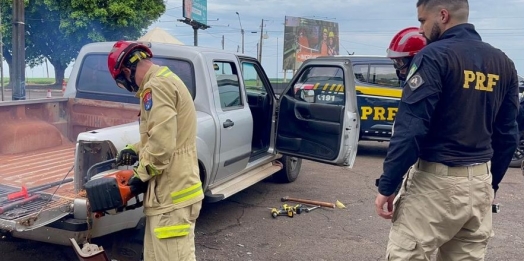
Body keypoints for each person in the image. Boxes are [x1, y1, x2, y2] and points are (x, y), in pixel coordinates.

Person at [374, 0, 519, 260]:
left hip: (435, 186)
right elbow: (507, 135)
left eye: (422, 21)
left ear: (443, 15)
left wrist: (388, 185)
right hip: (480, 185)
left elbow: (411, 129)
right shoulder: (504, 63)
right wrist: (491, 184)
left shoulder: (433, 56)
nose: (420, 30)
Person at [107, 40, 204, 261]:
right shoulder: (166, 80)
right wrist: (134, 149)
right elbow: (163, 134)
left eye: (122, 84)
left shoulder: (157, 87)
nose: (128, 89)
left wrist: (139, 177)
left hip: (172, 196)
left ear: (126, 71)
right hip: (168, 198)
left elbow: (161, 147)